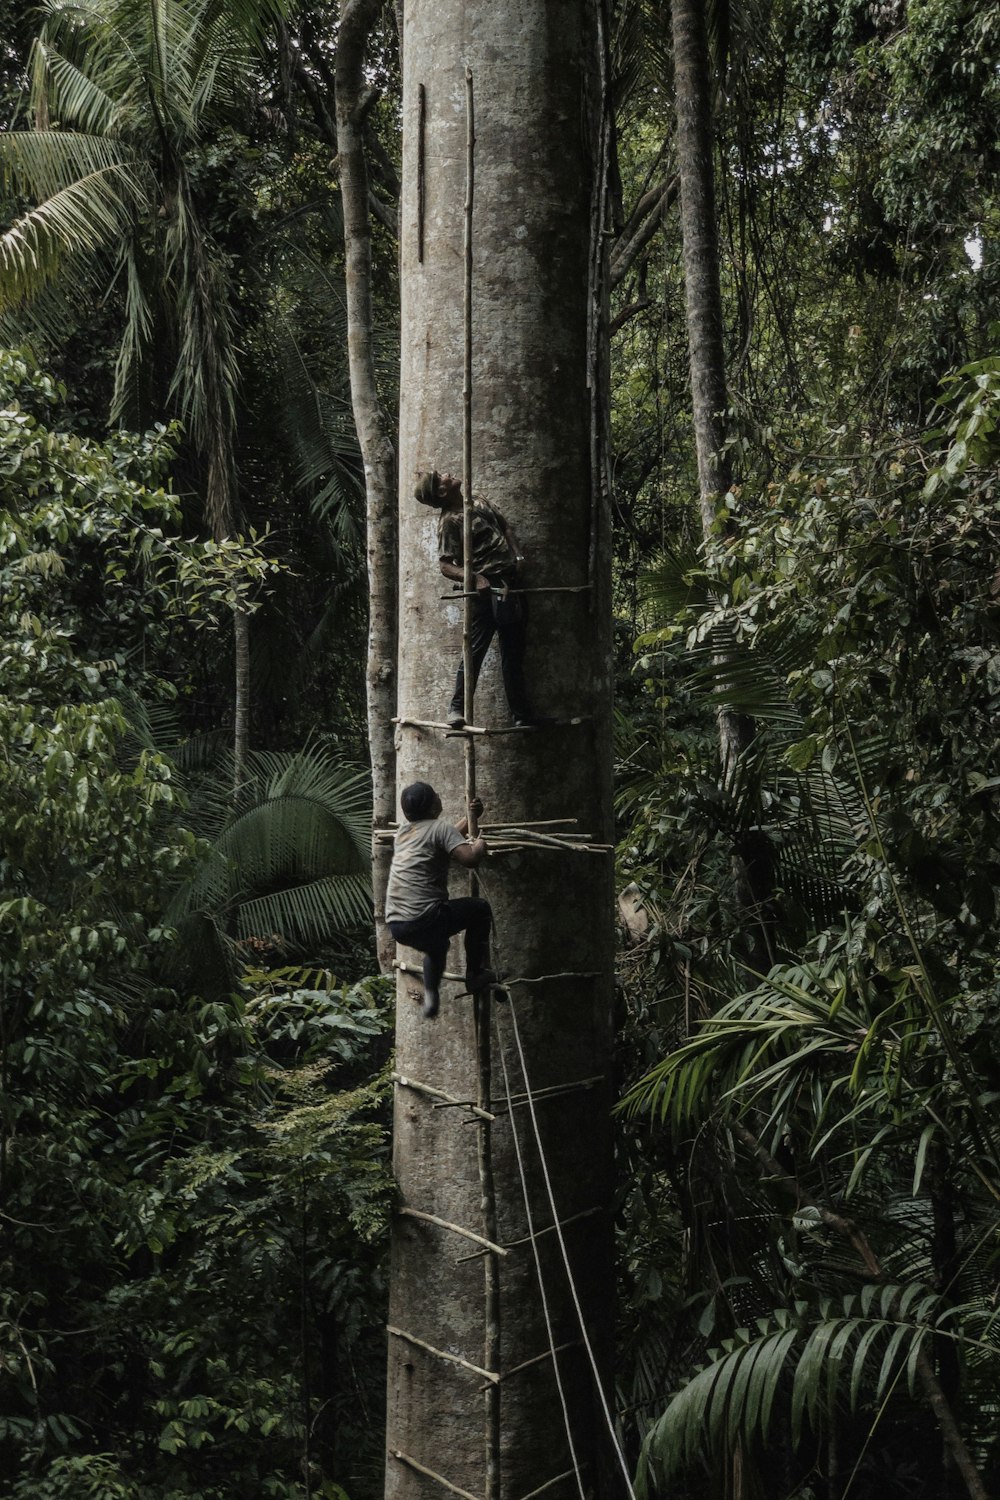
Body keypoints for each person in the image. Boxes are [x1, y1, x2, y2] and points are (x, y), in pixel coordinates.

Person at [414, 469, 538, 728]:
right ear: (441, 491)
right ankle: (456, 709)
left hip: (509, 584)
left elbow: (504, 525)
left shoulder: (477, 500)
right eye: (443, 476)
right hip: (486, 590)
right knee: (474, 651)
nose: (450, 473)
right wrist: (476, 579)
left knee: (513, 652)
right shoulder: (450, 521)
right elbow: (446, 566)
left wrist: (518, 556)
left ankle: (521, 714)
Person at [385, 780, 495, 1018]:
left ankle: (432, 995)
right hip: (426, 917)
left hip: (398, 925)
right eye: (436, 795)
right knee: (480, 909)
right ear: (433, 806)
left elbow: (446, 837)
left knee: (437, 946)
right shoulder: (439, 828)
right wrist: (480, 844)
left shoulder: (403, 832)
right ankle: (475, 975)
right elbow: (469, 859)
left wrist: (470, 818)